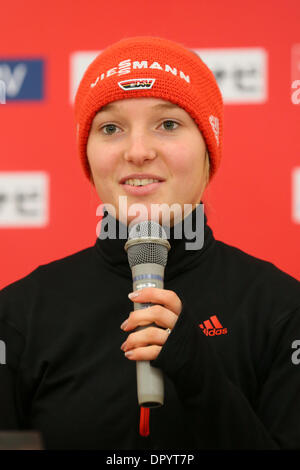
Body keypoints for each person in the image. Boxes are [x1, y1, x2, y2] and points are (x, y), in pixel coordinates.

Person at [0, 35, 300, 451]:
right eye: (110, 128)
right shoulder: (18, 314)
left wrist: (197, 373)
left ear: (209, 147)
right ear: (87, 153)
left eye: (168, 124)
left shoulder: (282, 308)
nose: (137, 151)